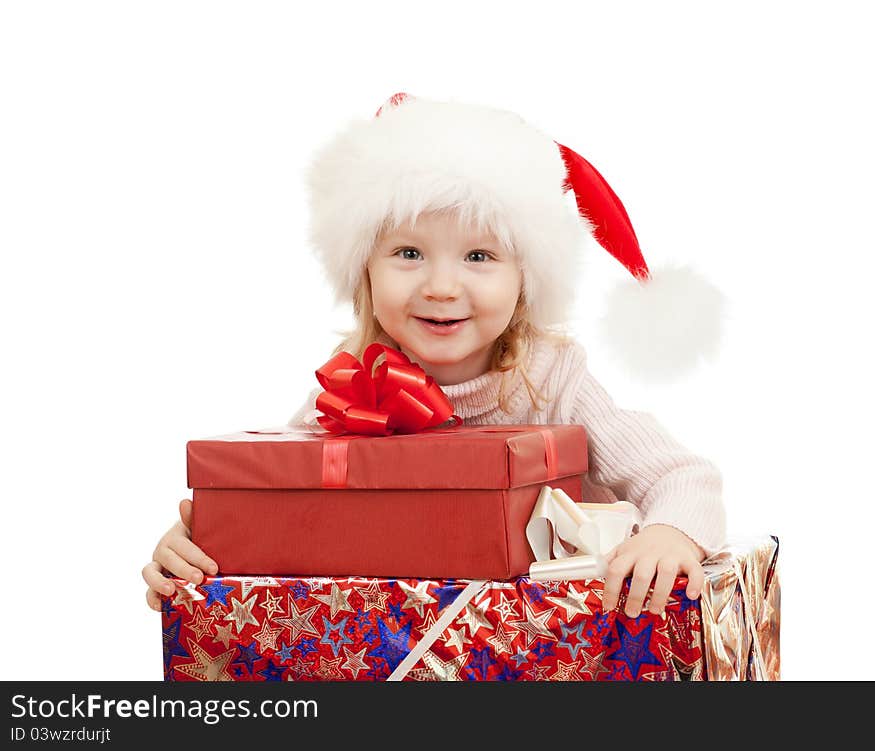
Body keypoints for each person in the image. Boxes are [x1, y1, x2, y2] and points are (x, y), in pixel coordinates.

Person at [143, 92, 726, 621]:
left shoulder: (553, 381)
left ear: (525, 279)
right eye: (409, 253)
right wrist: (197, 544)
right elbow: (283, 510)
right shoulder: (353, 388)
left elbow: (681, 475)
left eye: (478, 256)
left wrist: (670, 535)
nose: (442, 287)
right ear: (364, 272)